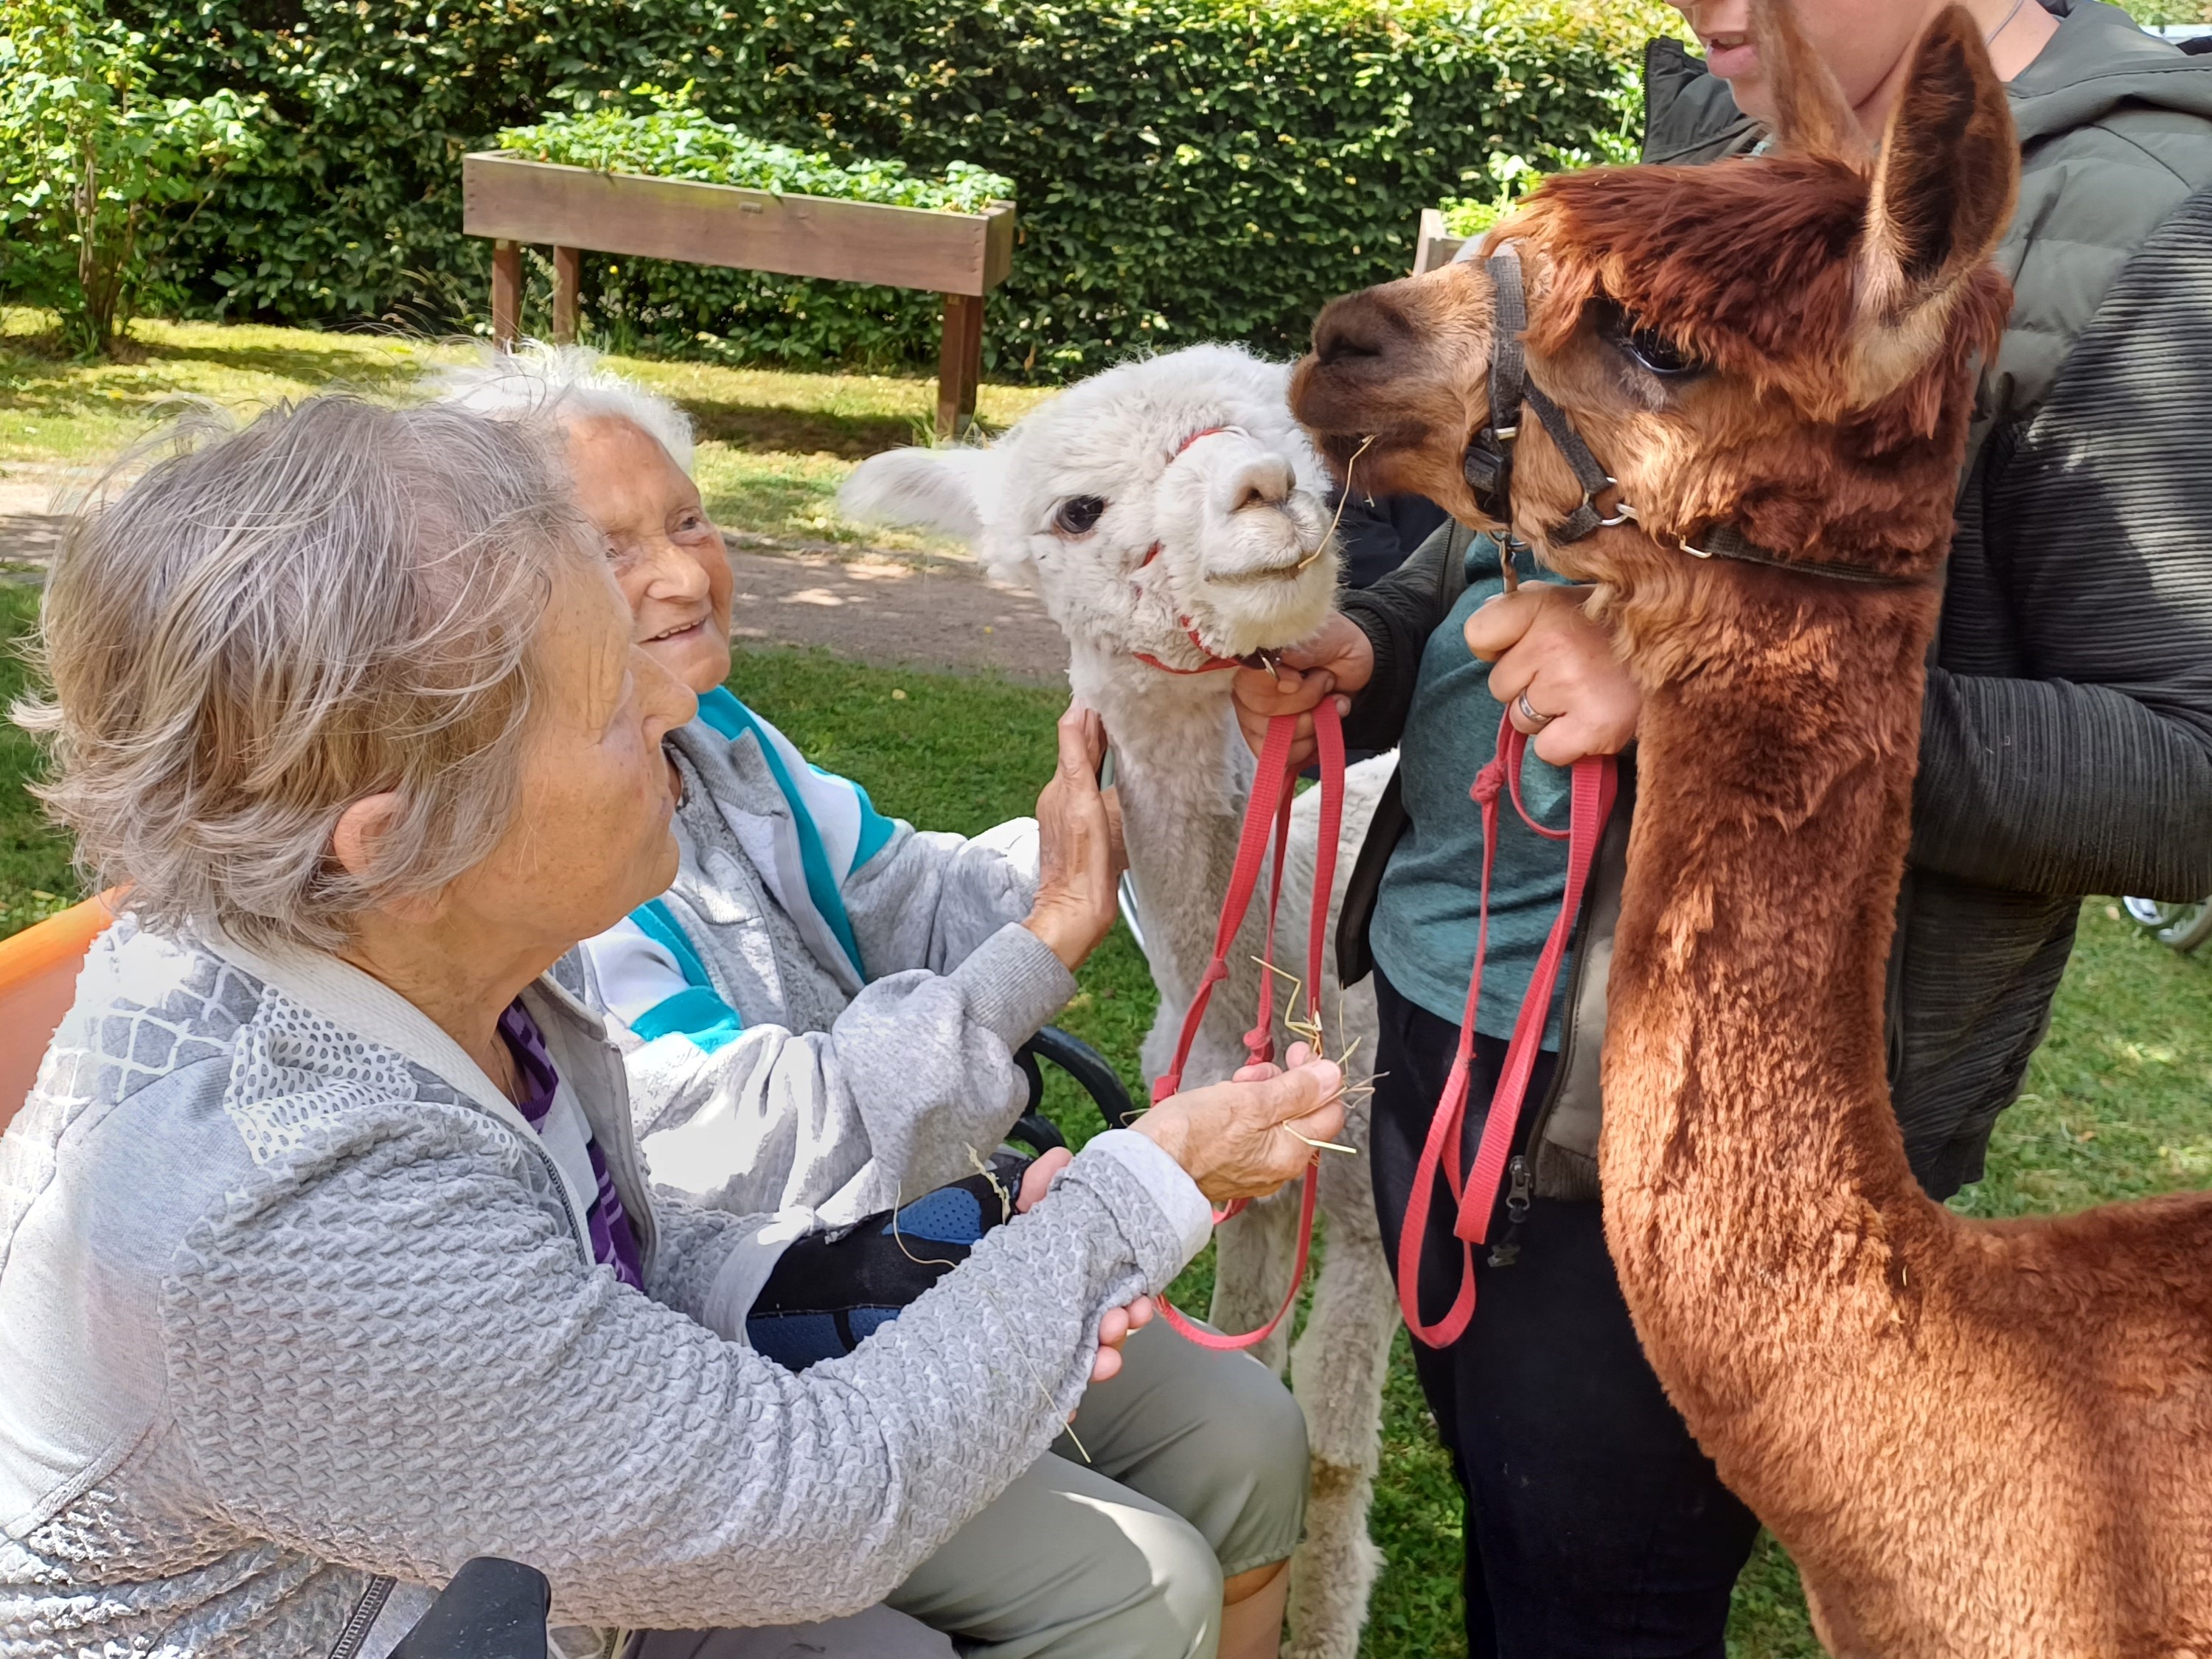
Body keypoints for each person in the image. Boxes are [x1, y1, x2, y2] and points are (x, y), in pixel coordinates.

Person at [0, 395, 1346, 1659]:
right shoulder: (297, 1206)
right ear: (396, 834)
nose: (669, 707)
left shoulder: (426, 967)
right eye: (604, 702)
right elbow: (812, 1500)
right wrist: (1136, 1191)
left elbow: (600, 1253)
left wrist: (892, 1260)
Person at [1234, 2, 2212, 1654]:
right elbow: (1543, 515)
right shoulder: (1749, 151)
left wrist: (1701, 683)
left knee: (1599, 1599)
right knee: (1512, 1528)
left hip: (1714, 1104)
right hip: (1455, 1005)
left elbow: (2187, 769)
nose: (1710, 9)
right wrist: (1379, 649)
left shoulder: (2148, 223)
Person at [434, 346, 1312, 1659]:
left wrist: (1141, 772)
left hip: (916, 1245)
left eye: (688, 519)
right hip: (751, 1321)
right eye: (611, 547)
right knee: (1141, 1580)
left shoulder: (719, 741)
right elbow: (761, 1141)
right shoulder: (530, 846)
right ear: (497, 592)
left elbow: (907, 884)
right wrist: (1060, 928)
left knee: (1249, 1432)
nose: (680, 573)